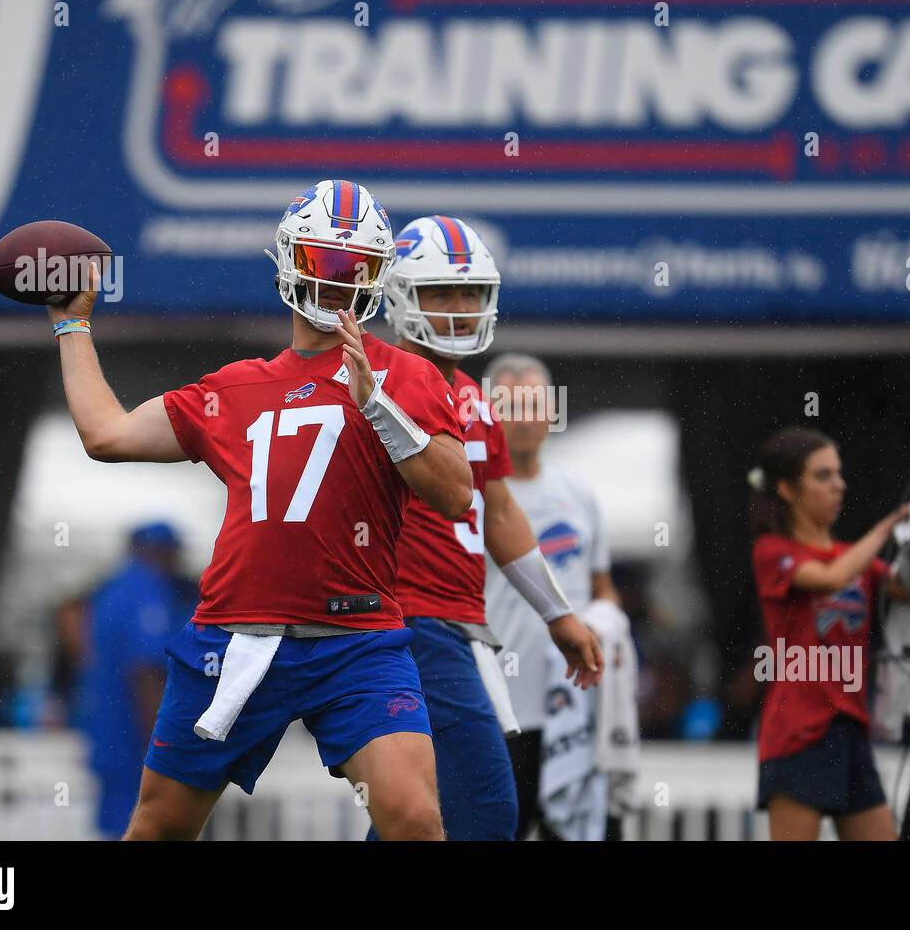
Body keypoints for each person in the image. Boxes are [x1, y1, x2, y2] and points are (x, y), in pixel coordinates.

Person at [47, 179, 472, 841]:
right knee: (157, 826)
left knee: (415, 818)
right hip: (235, 635)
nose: (337, 283)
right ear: (291, 262)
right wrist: (72, 324)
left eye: (354, 268)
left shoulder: (405, 375)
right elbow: (107, 434)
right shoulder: (237, 387)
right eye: (325, 264)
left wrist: (377, 407)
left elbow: (455, 493)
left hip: (356, 641)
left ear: (377, 277)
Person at [380, 218, 601, 840]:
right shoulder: (381, 385)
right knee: (483, 810)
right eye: (441, 293)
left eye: (471, 292)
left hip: (455, 622)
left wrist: (558, 614)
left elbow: (498, 511)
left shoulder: (472, 396)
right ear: (400, 296)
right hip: (411, 621)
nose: (460, 309)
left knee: (423, 815)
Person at [481, 353, 624, 840]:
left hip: (577, 704)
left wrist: (607, 627)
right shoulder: (471, 496)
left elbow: (603, 587)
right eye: (511, 405)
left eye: (534, 403)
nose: (523, 418)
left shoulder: (577, 492)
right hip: (505, 707)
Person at [747, 427, 903, 841]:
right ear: (786, 488)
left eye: (838, 473)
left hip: (849, 727)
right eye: (823, 475)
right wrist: (885, 530)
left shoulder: (854, 559)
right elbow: (830, 577)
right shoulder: (773, 551)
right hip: (798, 731)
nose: (839, 485)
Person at [78, 522, 192, 839]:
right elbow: (147, 673)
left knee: (118, 829)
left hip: (110, 738)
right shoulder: (146, 592)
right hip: (135, 744)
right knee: (145, 828)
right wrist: (162, 747)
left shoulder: (110, 591)